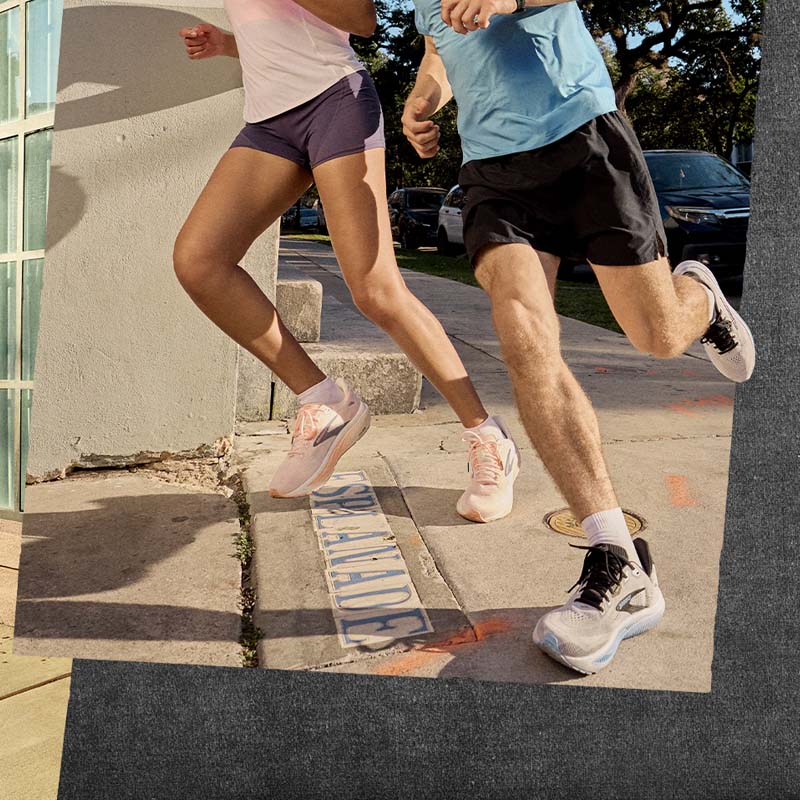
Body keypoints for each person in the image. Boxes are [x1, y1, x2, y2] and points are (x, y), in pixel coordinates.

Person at [403, 0, 756, 673]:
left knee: (657, 335)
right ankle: (618, 560)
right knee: (524, 337)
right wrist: (426, 97)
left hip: (582, 136)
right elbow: (437, 45)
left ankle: (700, 300)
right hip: (492, 172)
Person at [174, 0, 521, 522]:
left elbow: (362, 19)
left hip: (334, 100)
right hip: (268, 122)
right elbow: (280, 29)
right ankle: (326, 400)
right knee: (199, 261)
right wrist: (229, 44)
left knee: (376, 290)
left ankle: (487, 436)